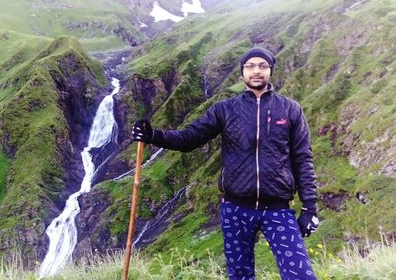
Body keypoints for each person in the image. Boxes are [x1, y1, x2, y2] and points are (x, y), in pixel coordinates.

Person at [131, 47, 319, 279]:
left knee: (300, 274)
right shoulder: (225, 109)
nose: (256, 71)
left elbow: (303, 159)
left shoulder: (291, 110)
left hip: (277, 209)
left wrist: (310, 208)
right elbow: (189, 139)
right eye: (250, 66)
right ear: (242, 72)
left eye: (262, 66)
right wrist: (153, 136)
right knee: (239, 275)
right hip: (235, 209)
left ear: (271, 70)